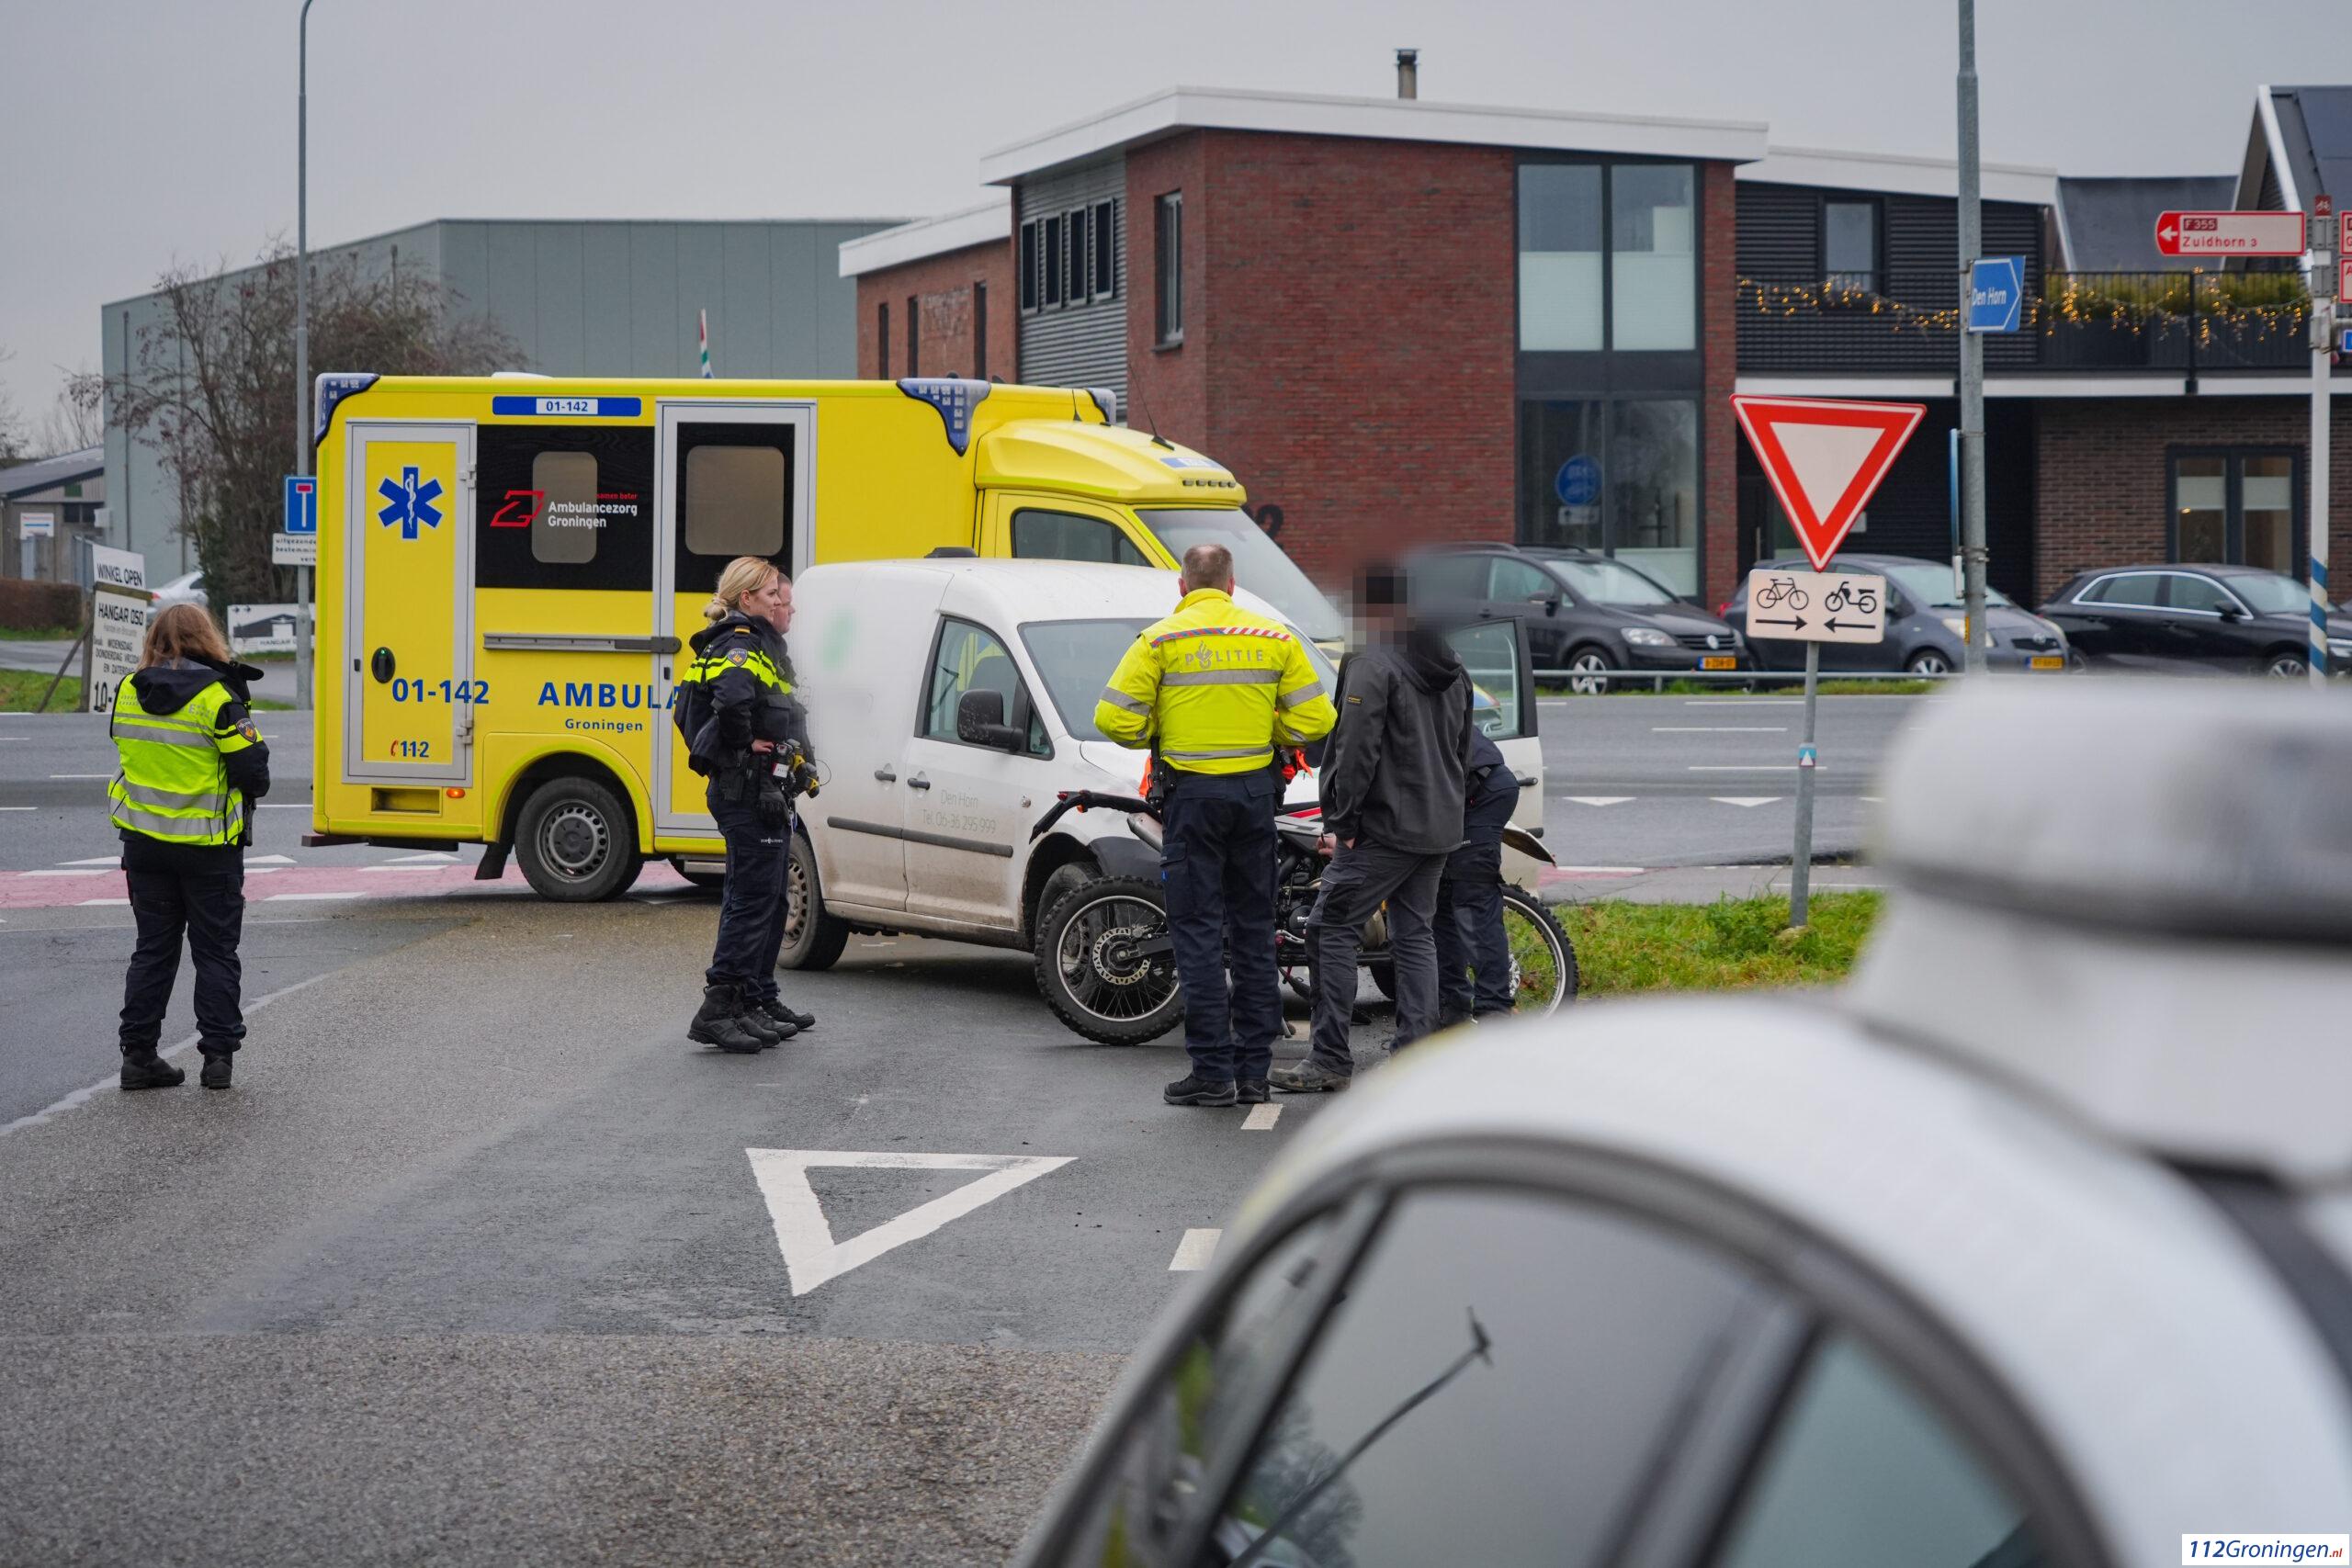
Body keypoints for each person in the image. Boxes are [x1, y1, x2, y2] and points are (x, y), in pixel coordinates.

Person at [1095, 544, 1336, 1108]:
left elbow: (1112, 717)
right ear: (1231, 586)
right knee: (1254, 933)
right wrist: (1270, 734)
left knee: (1198, 934)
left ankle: (1212, 1074)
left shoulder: (1159, 641)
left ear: (1183, 587)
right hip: (1255, 796)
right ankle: (1254, 1075)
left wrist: (1162, 725)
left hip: (1192, 798)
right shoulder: (1274, 640)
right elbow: (1317, 719)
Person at [1272, 565, 1476, 1094]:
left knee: (1328, 929)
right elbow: (1461, 749)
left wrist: (1344, 821)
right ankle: (1416, 1055)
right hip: (1438, 825)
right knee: (1415, 935)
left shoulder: (1372, 663)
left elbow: (1354, 749)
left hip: (1384, 828)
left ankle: (1330, 1058)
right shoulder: (1454, 666)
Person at [109, 604, 270, 1090]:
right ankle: (217, 1059)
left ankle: (138, 1057)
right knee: (215, 953)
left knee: (152, 952)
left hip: (145, 846)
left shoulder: (127, 691)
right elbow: (254, 776)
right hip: (208, 849)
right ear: (208, 639)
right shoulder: (218, 699)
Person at [673, 557, 819, 1054]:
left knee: (769, 897)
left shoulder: (761, 647)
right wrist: (742, 750)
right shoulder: (739, 644)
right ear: (747, 599)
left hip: (766, 788)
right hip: (746, 789)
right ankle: (721, 1007)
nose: (785, 605)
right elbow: (732, 706)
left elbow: (780, 715)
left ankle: (754, 997)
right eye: (776, 596)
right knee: (753, 900)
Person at [1434, 724, 1521, 1028]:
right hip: (1456, 794)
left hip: (1481, 793)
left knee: (1473, 900)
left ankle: (1494, 1013)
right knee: (1440, 903)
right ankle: (1453, 1009)